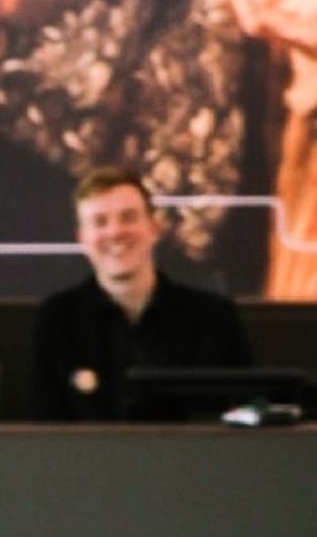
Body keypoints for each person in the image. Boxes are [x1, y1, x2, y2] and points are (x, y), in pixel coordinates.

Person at [26, 165, 252, 418]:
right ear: (82, 238)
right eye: (100, 222)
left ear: (154, 229)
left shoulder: (213, 319)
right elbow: (45, 430)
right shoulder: (57, 321)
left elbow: (244, 420)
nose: (115, 232)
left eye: (129, 217)